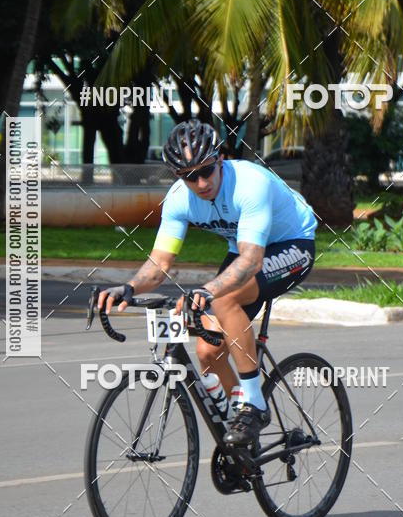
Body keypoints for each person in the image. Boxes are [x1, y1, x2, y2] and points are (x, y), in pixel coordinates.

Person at [98, 119, 317, 446]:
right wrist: (127, 288)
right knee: (208, 352)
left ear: (220, 160)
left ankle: (254, 402)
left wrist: (210, 289)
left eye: (206, 171)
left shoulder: (250, 183)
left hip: (291, 246)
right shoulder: (178, 201)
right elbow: (160, 265)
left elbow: (252, 261)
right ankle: (244, 430)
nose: (200, 183)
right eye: (189, 176)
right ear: (177, 176)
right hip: (242, 250)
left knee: (222, 299)